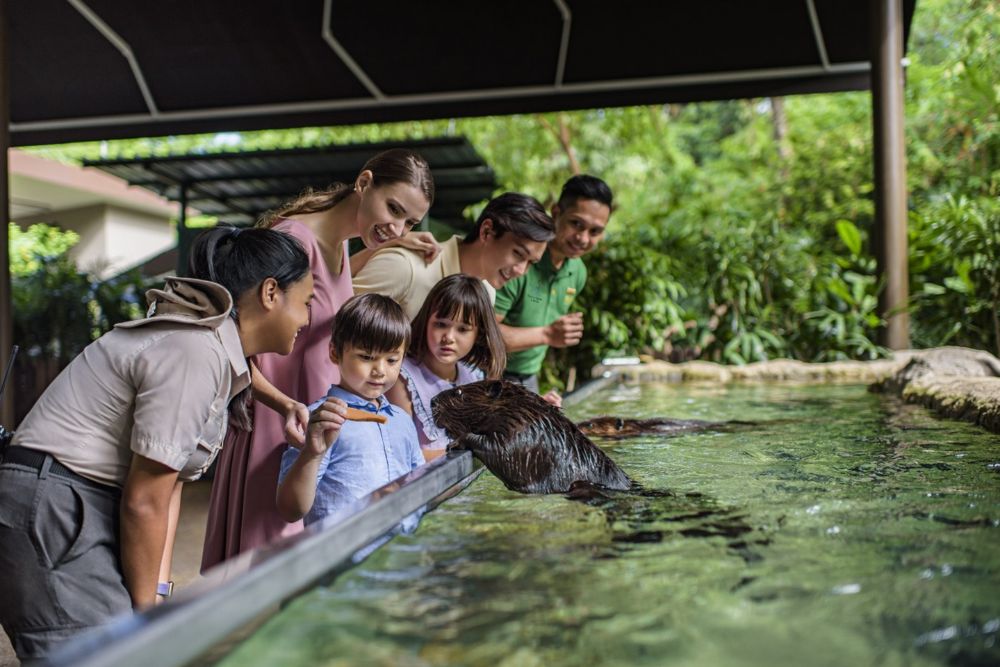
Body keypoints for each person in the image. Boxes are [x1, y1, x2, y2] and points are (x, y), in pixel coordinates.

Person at [0, 227, 313, 660]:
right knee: (109, 654)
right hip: (52, 503)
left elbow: (166, 490)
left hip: (69, 496)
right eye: (306, 302)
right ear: (271, 293)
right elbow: (145, 501)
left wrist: (157, 597)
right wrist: (147, 617)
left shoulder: (212, 347)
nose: (307, 318)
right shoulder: (195, 353)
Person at [202, 149, 435, 571]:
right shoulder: (292, 239)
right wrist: (284, 406)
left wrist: (394, 242)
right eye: (394, 209)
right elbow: (230, 341)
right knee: (266, 574)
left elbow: (327, 288)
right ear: (364, 183)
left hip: (317, 428)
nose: (398, 227)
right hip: (278, 428)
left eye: (410, 222)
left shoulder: (341, 245)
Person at [276, 293, 423, 525]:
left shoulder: (403, 421)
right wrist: (312, 453)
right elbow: (290, 510)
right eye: (366, 357)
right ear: (335, 353)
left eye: (392, 360)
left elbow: (419, 487)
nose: (380, 370)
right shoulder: (319, 420)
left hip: (401, 544)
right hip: (343, 546)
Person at [494, 175, 613, 406]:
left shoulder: (578, 272)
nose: (583, 238)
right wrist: (548, 334)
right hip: (487, 373)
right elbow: (482, 335)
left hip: (529, 378)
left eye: (595, 231)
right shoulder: (520, 262)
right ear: (556, 212)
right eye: (576, 224)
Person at [352, 192, 555, 320]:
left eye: (531, 263)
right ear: (487, 231)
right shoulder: (404, 266)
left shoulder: (486, 295)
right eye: (518, 253)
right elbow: (337, 324)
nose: (521, 270)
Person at [385, 274, 507, 461]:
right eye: (441, 324)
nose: (448, 337)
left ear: (479, 333)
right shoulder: (403, 379)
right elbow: (402, 456)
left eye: (463, 329)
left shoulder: (473, 376)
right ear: (426, 321)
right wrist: (472, 452)